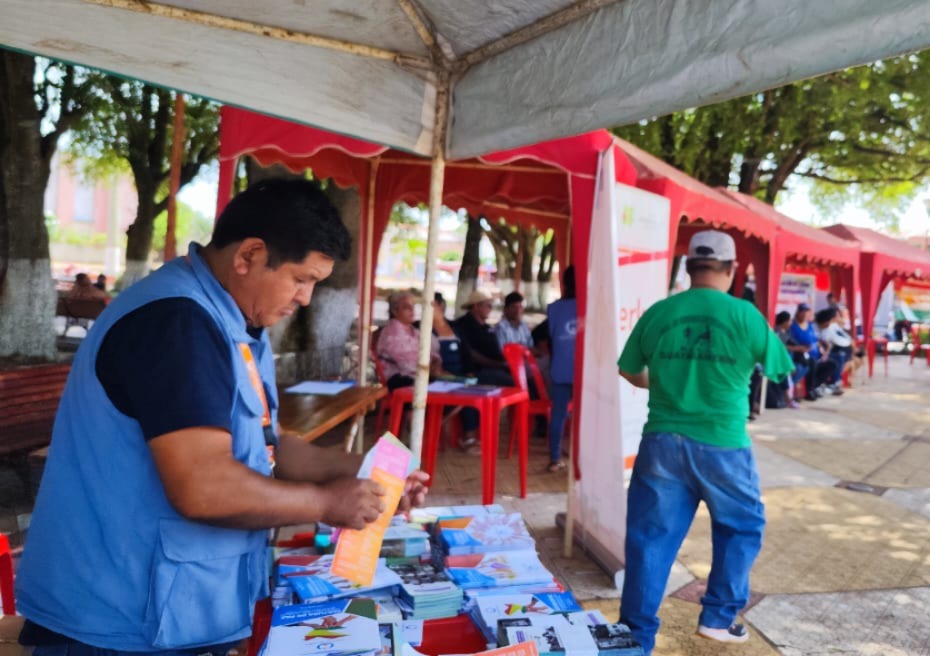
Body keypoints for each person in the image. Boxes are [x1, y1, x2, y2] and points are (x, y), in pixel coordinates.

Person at [17, 178, 429, 654]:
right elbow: (204, 486)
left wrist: (365, 475)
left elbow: (267, 447)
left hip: (167, 610)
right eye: (301, 278)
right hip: (117, 625)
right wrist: (324, 503)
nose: (305, 299)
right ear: (249, 256)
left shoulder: (231, 321)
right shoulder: (177, 324)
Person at [616, 230, 793, 655]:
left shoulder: (660, 312)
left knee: (650, 540)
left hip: (661, 442)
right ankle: (717, 616)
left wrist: (661, 379)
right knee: (741, 526)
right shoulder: (745, 315)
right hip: (723, 445)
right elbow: (780, 370)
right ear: (731, 270)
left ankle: (632, 640)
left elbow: (629, 370)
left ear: (690, 267)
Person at [375, 291, 442, 390]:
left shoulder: (414, 331)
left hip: (419, 375)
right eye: (407, 307)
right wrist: (430, 367)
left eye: (413, 307)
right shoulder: (392, 331)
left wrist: (435, 363)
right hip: (399, 379)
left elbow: (432, 353)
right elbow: (407, 364)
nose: (412, 311)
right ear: (395, 311)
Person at [545, 266, 576, 473]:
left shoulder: (554, 308)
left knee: (558, 415)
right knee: (587, 418)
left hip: (560, 369)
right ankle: (582, 461)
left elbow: (551, 336)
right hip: (585, 372)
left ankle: (555, 459)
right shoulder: (592, 306)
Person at [453, 290, 514, 388]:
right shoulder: (464, 325)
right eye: (488, 305)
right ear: (476, 306)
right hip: (479, 371)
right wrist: (499, 365)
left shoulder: (487, 327)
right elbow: (472, 355)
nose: (490, 309)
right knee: (514, 382)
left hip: (496, 367)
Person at [789, 302, 840, 399]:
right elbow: (791, 342)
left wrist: (823, 348)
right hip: (803, 356)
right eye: (802, 312)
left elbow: (816, 339)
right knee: (812, 363)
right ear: (798, 312)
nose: (804, 315)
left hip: (817, 355)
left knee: (833, 364)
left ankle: (815, 386)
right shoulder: (792, 326)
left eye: (806, 312)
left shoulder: (809, 325)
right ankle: (809, 390)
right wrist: (801, 348)